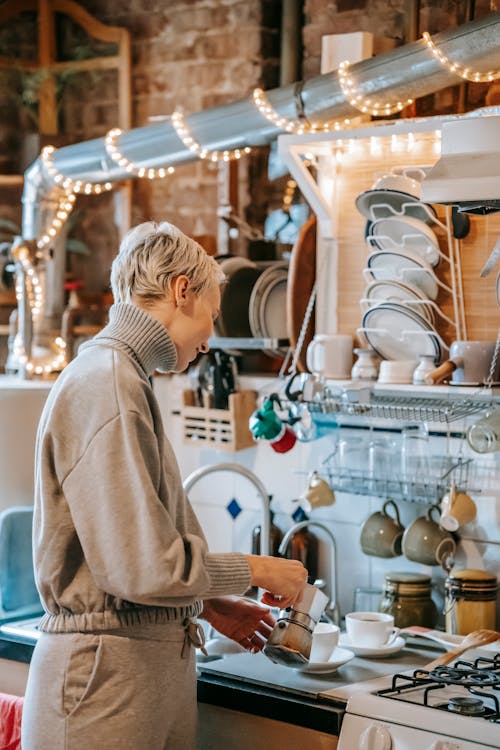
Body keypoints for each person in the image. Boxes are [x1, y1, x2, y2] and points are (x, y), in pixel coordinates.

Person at [21, 221, 307, 750]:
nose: (210, 338)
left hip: (130, 677)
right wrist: (259, 569)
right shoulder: (108, 383)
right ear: (182, 291)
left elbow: (127, 556)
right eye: (212, 317)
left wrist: (208, 605)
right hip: (104, 685)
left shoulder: (123, 377)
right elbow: (142, 567)